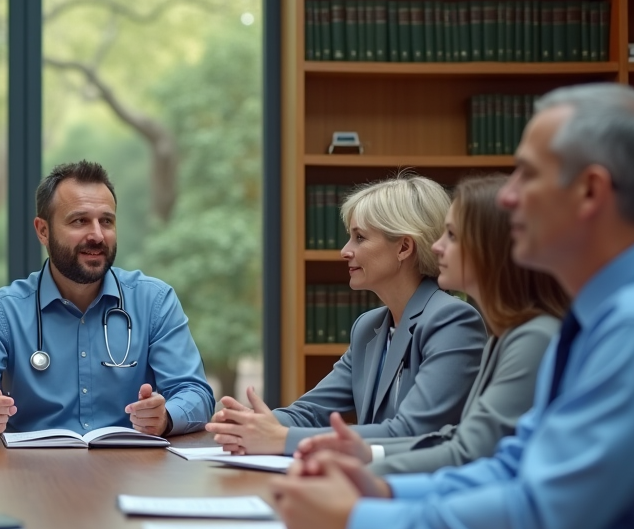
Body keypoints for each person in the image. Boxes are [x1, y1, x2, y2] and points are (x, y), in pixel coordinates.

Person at [272, 83, 634, 529]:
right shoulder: (596, 320)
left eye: (527, 174)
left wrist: (357, 520)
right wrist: (384, 488)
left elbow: (539, 517)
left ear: (590, 192)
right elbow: (513, 465)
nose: (507, 196)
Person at [293, 174, 569, 474]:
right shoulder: (505, 337)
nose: (436, 246)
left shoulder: (505, 332)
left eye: (451, 235)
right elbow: (454, 441)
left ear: (493, 247)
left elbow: (460, 450)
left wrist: (362, 470)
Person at [0, 160, 214, 439]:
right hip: (31, 475)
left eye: (107, 221)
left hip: (130, 470)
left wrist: (165, 417)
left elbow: (196, 394)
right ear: (43, 230)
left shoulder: (155, 302)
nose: (97, 235)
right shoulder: (3, 311)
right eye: (80, 221)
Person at [207, 174, 487, 455]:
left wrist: (281, 439)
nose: (344, 251)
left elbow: (411, 431)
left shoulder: (452, 321)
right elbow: (311, 412)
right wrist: (249, 424)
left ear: (404, 247)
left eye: (359, 238)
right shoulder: (368, 326)